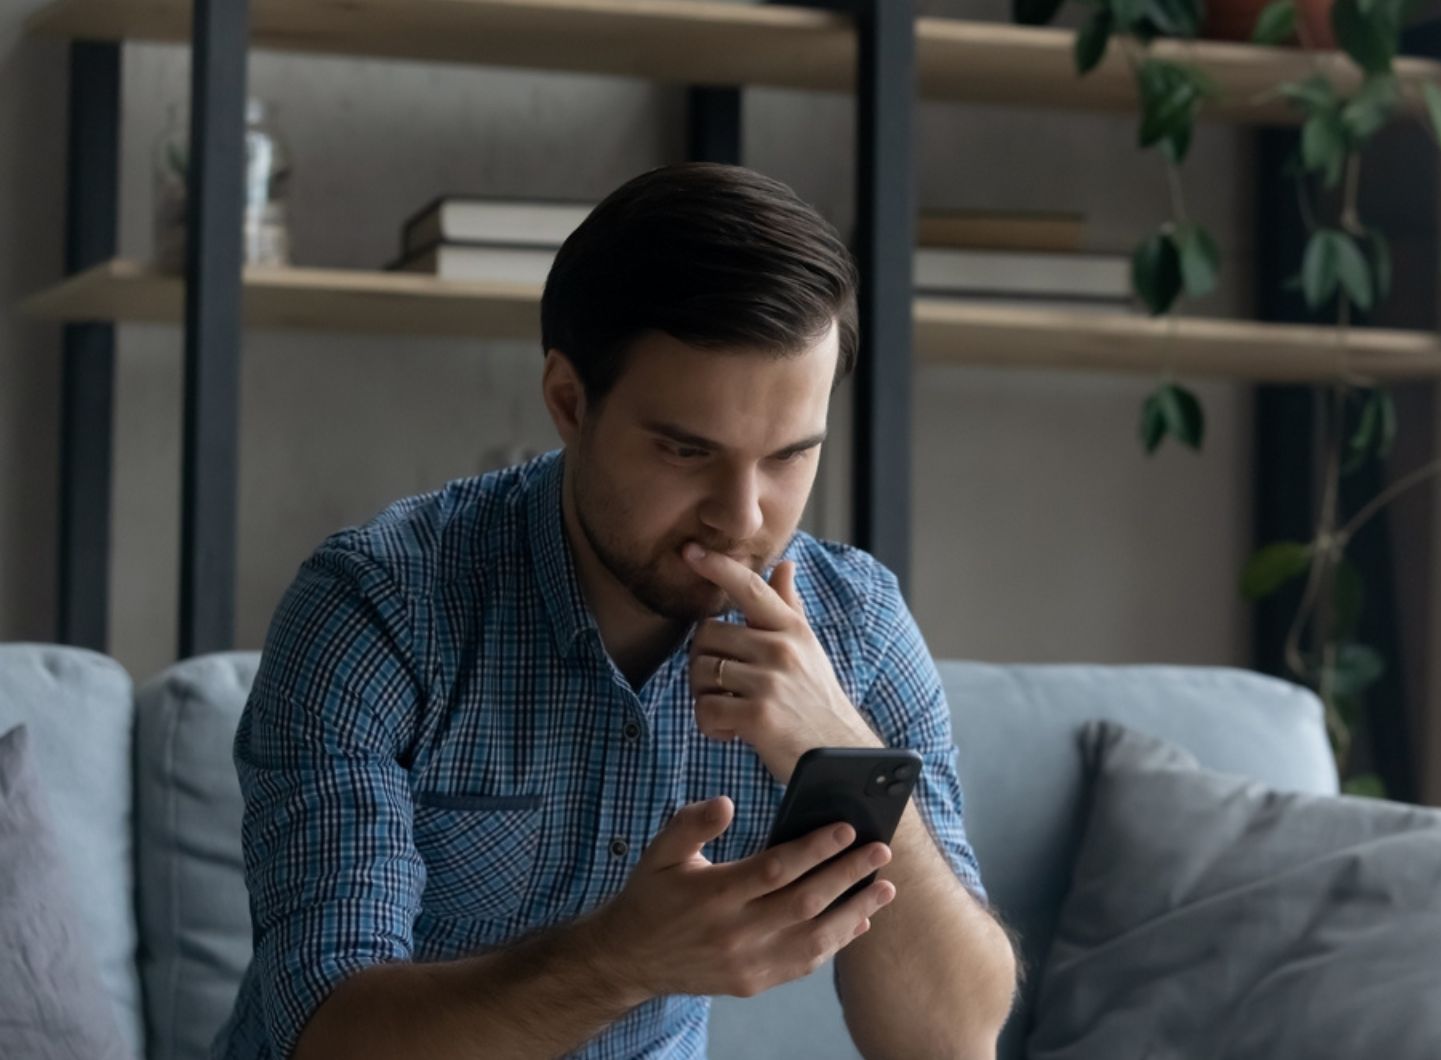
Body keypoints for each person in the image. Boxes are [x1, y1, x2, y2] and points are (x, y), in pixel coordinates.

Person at [213, 162, 1019, 1060]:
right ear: (568, 400)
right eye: (687, 450)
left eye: (790, 457)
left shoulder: (855, 627)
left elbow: (951, 1041)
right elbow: (324, 1037)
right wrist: (622, 962)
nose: (744, 517)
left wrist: (843, 749)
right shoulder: (382, 610)